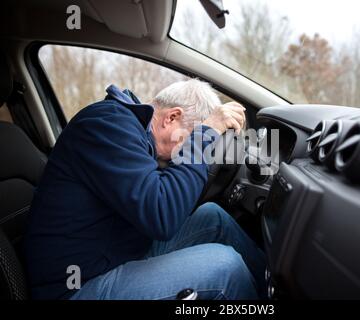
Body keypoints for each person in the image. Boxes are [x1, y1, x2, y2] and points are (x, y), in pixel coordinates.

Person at [24, 79, 266, 300]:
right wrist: (203, 136)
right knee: (226, 266)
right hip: (76, 287)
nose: (179, 156)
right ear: (171, 118)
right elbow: (162, 215)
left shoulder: (130, 131)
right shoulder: (108, 125)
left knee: (213, 217)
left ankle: (273, 291)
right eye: (185, 140)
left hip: (117, 251)